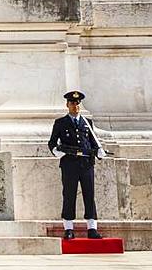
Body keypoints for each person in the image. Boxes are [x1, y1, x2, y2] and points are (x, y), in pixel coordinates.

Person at [47, 90, 106, 240]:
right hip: (69, 164)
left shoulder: (87, 122)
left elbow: (92, 141)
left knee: (89, 194)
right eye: (72, 103)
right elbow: (52, 142)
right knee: (69, 194)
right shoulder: (60, 123)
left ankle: (92, 228)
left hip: (86, 164)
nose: (75, 106)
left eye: (77, 103)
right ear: (67, 105)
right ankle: (68, 228)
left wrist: (99, 151)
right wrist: (57, 151)